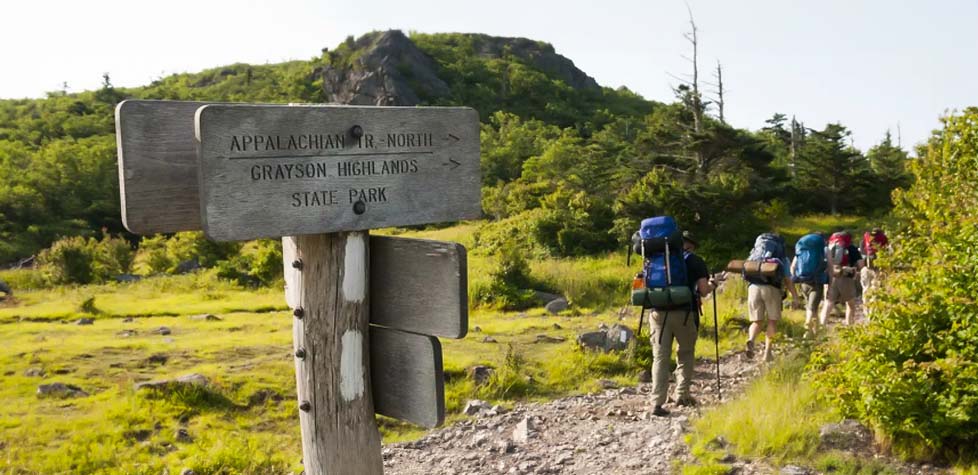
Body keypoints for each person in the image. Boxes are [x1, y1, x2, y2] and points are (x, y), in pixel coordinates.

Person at [650, 231, 714, 417]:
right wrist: (713, 285)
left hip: (657, 313)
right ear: (691, 245)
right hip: (684, 313)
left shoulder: (656, 258)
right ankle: (682, 395)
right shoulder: (695, 261)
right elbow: (703, 290)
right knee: (685, 353)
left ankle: (657, 403)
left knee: (660, 357)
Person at [744, 233, 799, 362]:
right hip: (771, 289)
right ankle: (767, 354)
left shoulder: (754, 255)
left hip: (753, 288)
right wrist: (795, 296)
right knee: (772, 321)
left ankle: (751, 339)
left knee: (756, 321)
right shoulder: (782, 258)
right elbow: (787, 279)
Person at [821, 230, 864, 327]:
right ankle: (849, 326)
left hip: (831, 275)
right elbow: (861, 265)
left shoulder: (829, 247)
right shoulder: (851, 248)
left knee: (828, 303)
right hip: (845, 277)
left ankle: (822, 326)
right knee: (850, 303)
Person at [790, 231, 829, 337]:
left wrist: (796, 278)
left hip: (803, 282)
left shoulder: (802, 249)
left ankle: (816, 332)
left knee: (813, 307)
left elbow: (793, 267)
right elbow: (830, 266)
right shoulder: (824, 249)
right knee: (811, 308)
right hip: (817, 282)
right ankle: (807, 330)